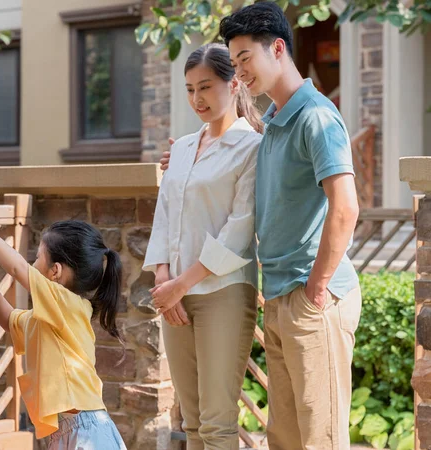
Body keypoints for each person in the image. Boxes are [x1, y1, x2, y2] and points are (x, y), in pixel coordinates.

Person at [161, 3, 362, 449]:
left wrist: (317, 288)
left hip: (313, 297)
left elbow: (345, 207)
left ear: (277, 48)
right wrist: (185, 161)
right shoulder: (272, 124)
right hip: (279, 295)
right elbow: (231, 157)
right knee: (285, 439)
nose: (240, 73)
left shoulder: (316, 116)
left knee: (320, 440)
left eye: (245, 59)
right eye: (233, 63)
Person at [143, 43, 263, 450]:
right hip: (174, 294)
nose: (197, 99)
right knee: (191, 422)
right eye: (190, 89)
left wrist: (182, 284)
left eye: (206, 87)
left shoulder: (252, 148)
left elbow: (240, 229)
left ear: (233, 84)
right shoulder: (180, 149)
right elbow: (164, 214)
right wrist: (164, 280)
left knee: (217, 425)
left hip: (223, 292)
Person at [0, 208, 127, 450]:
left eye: (38, 258)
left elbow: (17, 268)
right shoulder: (49, 319)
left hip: (85, 429)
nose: (32, 264)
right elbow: (9, 321)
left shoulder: (67, 304)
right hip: (71, 430)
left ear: (55, 271)